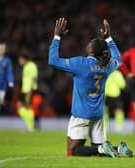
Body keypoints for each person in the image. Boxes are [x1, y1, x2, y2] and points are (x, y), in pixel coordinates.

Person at [48, 18, 133, 157]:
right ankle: (118, 149)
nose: (88, 44)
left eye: (90, 43)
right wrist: (109, 38)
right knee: (99, 153)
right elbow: (119, 58)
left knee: (72, 151)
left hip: (81, 114)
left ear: (91, 50)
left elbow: (53, 60)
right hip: (98, 115)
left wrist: (57, 36)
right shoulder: (107, 66)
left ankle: (101, 149)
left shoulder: (80, 63)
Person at [18, 49, 38, 132]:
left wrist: (29, 91)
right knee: (21, 107)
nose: (19, 61)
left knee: (27, 107)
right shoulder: (26, 66)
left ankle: (30, 128)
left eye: (20, 59)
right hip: (25, 90)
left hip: (29, 90)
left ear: (24, 59)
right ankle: (30, 127)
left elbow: (33, 78)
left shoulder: (31, 66)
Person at [120, 48, 135, 122]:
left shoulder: (132, 51)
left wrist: (127, 73)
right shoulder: (132, 51)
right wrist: (127, 72)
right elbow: (120, 60)